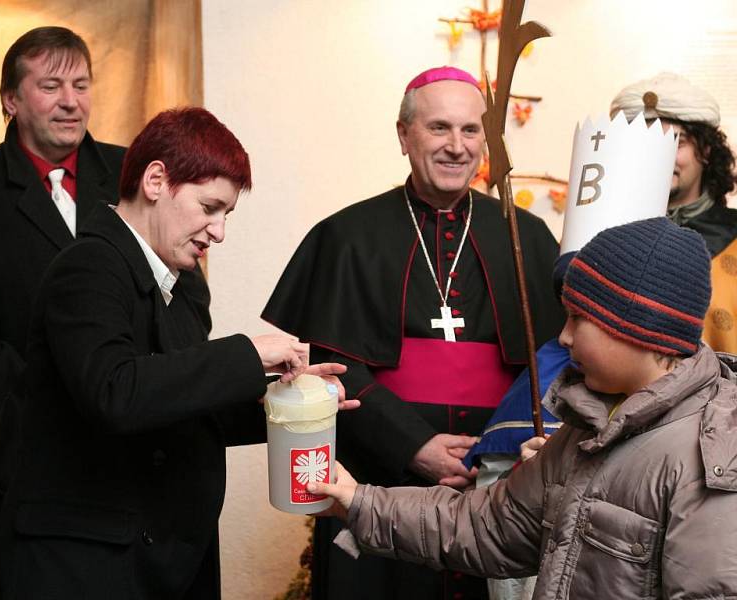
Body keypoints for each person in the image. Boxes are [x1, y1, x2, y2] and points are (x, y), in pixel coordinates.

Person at [0, 107, 356, 599]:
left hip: (162, 559)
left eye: (226, 215)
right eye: (210, 208)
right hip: (83, 564)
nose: (219, 232)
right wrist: (246, 354)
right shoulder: (88, 266)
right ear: (156, 180)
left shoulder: (184, 285)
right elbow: (115, 392)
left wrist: (288, 402)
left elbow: (181, 402)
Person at [310, 217, 737, 599]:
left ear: (634, 328)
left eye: (576, 319)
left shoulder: (709, 459)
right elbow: (487, 527)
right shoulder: (587, 425)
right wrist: (356, 500)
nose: (564, 338)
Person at [263, 66, 564, 599]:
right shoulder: (347, 236)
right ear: (404, 135)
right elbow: (326, 368)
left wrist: (501, 452)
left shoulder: (529, 238)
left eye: (470, 131)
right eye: (438, 128)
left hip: (497, 490)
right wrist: (414, 445)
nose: (457, 146)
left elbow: (554, 364)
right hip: (378, 480)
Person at [0, 26, 137, 574]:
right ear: (10, 99)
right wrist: (54, 418)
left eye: (81, 84)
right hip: (19, 459)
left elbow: (181, 298)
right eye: (51, 86)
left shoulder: (136, 176)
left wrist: (133, 397)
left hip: (134, 449)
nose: (71, 101)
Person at [610, 72, 737, 352]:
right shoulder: (607, 233)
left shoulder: (734, 237)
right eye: (646, 145)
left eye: (676, 143)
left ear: (704, 149)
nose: (660, 157)